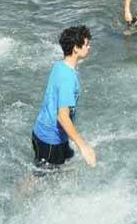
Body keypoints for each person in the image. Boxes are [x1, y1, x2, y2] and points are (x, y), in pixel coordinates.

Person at [32, 25, 96, 167]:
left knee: (66, 164)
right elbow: (62, 116)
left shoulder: (60, 65)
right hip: (50, 139)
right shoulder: (67, 78)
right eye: (86, 44)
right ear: (76, 48)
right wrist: (82, 146)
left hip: (47, 133)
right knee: (39, 178)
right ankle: (19, 190)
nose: (89, 47)